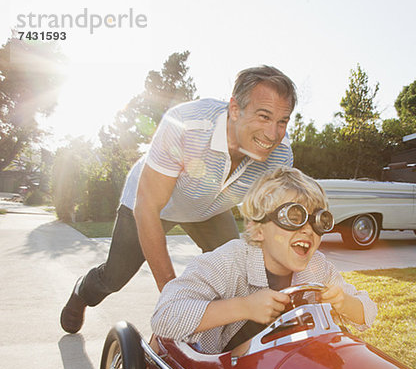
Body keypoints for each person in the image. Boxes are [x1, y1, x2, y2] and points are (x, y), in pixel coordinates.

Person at [60, 65, 297, 334]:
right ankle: (82, 291)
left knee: (241, 274)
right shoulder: (186, 125)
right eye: (264, 116)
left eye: (283, 121)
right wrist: (175, 301)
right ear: (234, 109)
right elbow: (147, 207)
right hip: (151, 204)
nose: (273, 134)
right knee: (114, 277)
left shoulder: (280, 155)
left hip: (209, 208)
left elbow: (269, 224)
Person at [151, 167, 378, 354]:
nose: (309, 230)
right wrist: (245, 307)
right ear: (258, 230)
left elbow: (368, 312)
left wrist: (343, 302)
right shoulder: (229, 261)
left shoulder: (317, 267)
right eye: (294, 217)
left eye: (319, 221)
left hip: (287, 365)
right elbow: (165, 316)